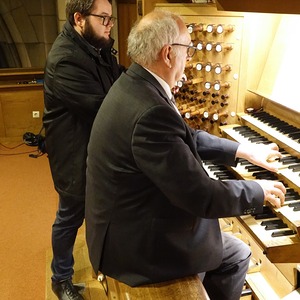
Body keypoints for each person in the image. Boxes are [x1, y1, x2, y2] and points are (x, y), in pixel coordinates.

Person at [85, 9, 286, 300]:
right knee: (239, 253)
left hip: (124, 223)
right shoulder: (150, 109)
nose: (189, 60)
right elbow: (201, 196)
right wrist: (257, 191)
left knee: (224, 242)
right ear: (168, 54)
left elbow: (186, 137)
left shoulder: (135, 84)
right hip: (137, 249)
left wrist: (245, 150)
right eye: (188, 50)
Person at [43, 0, 125, 299]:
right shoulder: (65, 59)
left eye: (111, 18)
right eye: (103, 18)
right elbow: (102, 106)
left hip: (97, 147)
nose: (109, 24)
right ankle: (60, 277)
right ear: (79, 18)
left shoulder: (96, 46)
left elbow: (119, 79)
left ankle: (103, 263)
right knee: (70, 214)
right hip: (74, 151)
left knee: (101, 210)